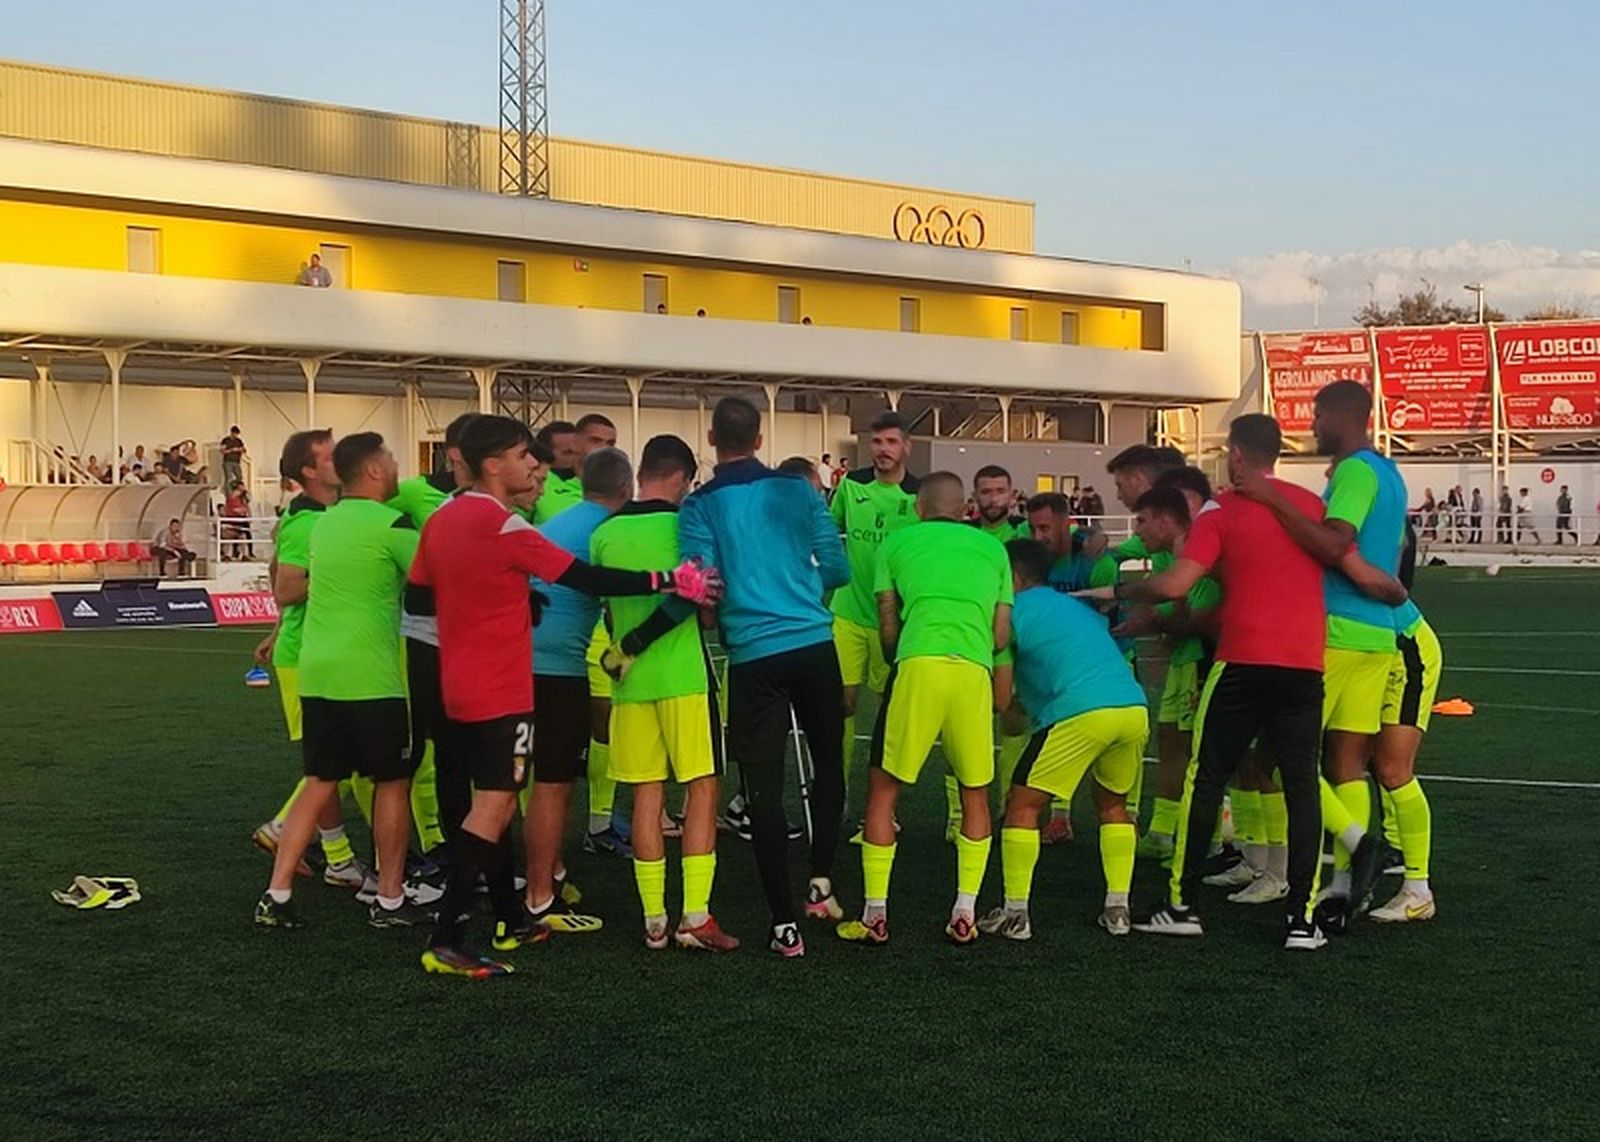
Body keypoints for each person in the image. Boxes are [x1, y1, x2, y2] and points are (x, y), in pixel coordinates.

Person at [410, 415, 717, 977]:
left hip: (457, 679)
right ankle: (448, 936)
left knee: (496, 799)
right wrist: (668, 580)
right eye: (522, 455)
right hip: (502, 686)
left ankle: (510, 918)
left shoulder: (442, 519)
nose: (535, 464)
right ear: (491, 465)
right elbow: (586, 578)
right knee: (496, 804)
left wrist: (503, 601)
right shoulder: (505, 526)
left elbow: (418, 600)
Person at [1079, 415, 1335, 951]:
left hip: (1243, 661)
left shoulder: (1222, 508)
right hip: (1305, 662)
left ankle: (1182, 906)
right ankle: (1302, 919)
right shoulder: (1311, 506)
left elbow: (1177, 582)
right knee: (1301, 785)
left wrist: (1119, 593)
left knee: (1207, 777)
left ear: (1236, 454)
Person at [1231, 381, 1415, 932]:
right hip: (1376, 634)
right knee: (1346, 765)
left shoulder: (1356, 471)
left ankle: (1348, 855)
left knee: (1285, 758)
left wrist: (1272, 500)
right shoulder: (1389, 472)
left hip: (1336, 628)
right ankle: (1343, 893)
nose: (1311, 427)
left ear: (1339, 414)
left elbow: (1335, 543)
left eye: (1316, 415)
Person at [678, 396, 851, 958]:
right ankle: (821, 883)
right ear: (759, 439)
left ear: (711, 439)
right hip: (814, 644)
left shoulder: (699, 505)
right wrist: (799, 594)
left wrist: (728, 608)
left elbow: (701, 586)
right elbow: (839, 567)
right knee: (828, 763)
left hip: (754, 656)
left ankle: (784, 925)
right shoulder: (798, 490)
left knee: (763, 789)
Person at [253, 433, 423, 931]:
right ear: (374, 470)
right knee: (391, 783)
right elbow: (438, 578)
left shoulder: (321, 524)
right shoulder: (393, 524)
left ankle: (277, 893)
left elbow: (287, 579)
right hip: (370, 677)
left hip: (317, 671)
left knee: (319, 781)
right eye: (391, 458)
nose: (396, 466)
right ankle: (389, 898)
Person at [837, 471, 1012, 947]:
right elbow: (1000, 635)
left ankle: (875, 916)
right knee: (975, 793)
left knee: (883, 791)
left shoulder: (895, 544)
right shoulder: (993, 549)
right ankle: (965, 912)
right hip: (973, 672)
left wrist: (902, 654)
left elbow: (887, 624)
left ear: (918, 508)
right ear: (966, 508)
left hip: (917, 664)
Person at [593, 435, 738, 951]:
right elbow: (704, 608)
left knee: (646, 797)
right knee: (702, 789)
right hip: (684, 679)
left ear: (642, 473)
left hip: (630, 685)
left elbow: (609, 609)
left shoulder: (604, 534)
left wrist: (627, 648)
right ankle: (694, 916)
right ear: (680, 478)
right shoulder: (688, 527)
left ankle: (654, 921)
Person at [981, 538, 1149, 939]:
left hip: (1080, 709)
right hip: (1132, 706)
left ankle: (1016, 913)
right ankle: (1118, 909)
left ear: (1012, 576)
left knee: (1022, 805)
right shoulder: (1075, 607)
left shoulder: (1010, 612)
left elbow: (1002, 694)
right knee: (1112, 805)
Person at [250, 430, 372, 894]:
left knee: (344, 757)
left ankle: (294, 831)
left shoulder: (318, 515)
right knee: (331, 761)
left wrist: (276, 628)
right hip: (306, 656)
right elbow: (286, 586)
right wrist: (351, 574)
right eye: (330, 456)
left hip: (314, 648)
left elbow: (277, 575)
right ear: (308, 470)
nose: (341, 460)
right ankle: (328, 852)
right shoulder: (306, 522)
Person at [520, 446, 635, 935]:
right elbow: (621, 594)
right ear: (627, 488)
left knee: (532, 781)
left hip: (518, 660)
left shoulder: (558, 522)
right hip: (555, 669)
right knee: (552, 784)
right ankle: (538, 899)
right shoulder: (607, 530)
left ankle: (550, 872)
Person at [385, 413, 485, 873]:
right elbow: (367, 508)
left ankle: (463, 850)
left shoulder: (500, 504)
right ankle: (412, 852)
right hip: (429, 639)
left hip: (474, 642)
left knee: (462, 752)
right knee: (424, 747)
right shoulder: (418, 495)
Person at [1115, 474, 1221, 865]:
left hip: (1203, 658)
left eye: (1142, 519)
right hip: (1184, 658)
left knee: (1210, 753)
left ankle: (1210, 840)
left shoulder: (1203, 550)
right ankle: (1165, 831)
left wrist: (1154, 619)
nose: (1137, 528)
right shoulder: (1174, 551)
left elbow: (1204, 617)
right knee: (1172, 739)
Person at [827, 412, 922, 832]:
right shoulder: (851, 485)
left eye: (891, 442)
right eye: (877, 442)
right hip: (847, 614)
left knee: (889, 715)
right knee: (841, 706)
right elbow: (829, 531)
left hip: (894, 622)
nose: (882, 450)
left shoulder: (919, 497)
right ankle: (836, 797)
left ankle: (883, 808)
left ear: (907, 446)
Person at [971, 465, 1029, 542]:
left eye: (1001, 492)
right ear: (975, 496)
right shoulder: (964, 532)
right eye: (985, 492)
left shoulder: (1026, 530)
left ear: (1011, 495)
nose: (993, 499)